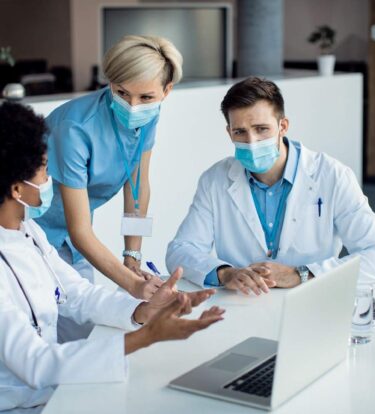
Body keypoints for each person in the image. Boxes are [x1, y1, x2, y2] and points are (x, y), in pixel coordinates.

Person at [0, 102, 224, 411]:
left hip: (48, 396)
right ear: (17, 189)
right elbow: (36, 363)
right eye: (45, 169)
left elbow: (77, 294)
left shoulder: (29, 231)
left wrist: (143, 311)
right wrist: (147, 337)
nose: (50, 177)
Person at [166, 77, 375, 293]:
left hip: (313, 300)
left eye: (261, 129)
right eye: (240, 132)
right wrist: (225, 273)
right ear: (229, 132)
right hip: (243, 303)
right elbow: (180, 251)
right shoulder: (215, 180)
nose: (251, 142)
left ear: (283, 126)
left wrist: (301, 274)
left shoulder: (332, 176)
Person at [35, 35, 183, 341]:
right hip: (33, 231)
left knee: (81, 334)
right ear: (110, 82)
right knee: (41, 335)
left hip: (72, 239)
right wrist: (132, 283)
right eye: (122, 92)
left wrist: (133, 255)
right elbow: (81, 230)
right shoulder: (75, 128)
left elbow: (138, 189)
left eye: (145, 97)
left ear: (166, 92)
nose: (132, 106)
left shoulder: (149, 116)